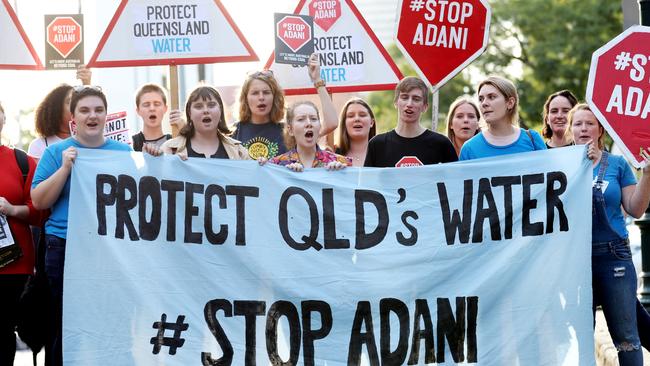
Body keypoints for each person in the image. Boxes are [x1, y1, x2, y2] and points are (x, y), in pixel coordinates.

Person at [31, 86, 131, 366]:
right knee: (64, 325)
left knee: (107, 321)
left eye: (98, 110)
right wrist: (64, 169)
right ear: (73, 117)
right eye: (85, 110)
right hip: (63, 246)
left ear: (106, 116)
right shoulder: (57, 153)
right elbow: (38, 200)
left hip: (108, 248)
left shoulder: (123, 153)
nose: (92, 115)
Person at [570, 103, 650, 365]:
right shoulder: (559, 165)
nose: (583, 129)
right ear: (570, 129)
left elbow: (635, 209)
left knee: (627, 338)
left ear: (601, 129)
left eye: (590, 123)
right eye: (578, 123)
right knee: (579, 339)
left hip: (614, 257)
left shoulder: (617, 164)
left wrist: (647, 174)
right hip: (572, 262)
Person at [0, 102, 44, 364]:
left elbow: (38, 211)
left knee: (4, 330)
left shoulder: (21, 161)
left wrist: (11, 209)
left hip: (12, 265)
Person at [232, 53, 337, 159]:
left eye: (266, 92)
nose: (261, 97)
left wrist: (317, 80)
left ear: (275, 97)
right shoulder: (233, 132)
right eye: (255, 93)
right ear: (245, 98)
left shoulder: (289, 131)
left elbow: (331, 123)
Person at [364, 76, 457, 167]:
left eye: (416, 99)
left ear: (425, 107)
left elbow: (456, 180)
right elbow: (366, 181)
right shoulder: (377, 145)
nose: (409, 104)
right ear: (396, 102)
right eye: (404, 97)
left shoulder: (442, 144)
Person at [459, 75, 546, 160]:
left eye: (491, 97)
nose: (484, 103)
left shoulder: (532, 140)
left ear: (510, 103)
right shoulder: (469, 149)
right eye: (481, 99)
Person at [157, 85, 249, 160]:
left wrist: (261, 165)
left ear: (220, 110)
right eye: (198, 106)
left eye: (211, 105)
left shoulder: (239, 152)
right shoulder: (170, 150)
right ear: (189, 113)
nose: (206, 110)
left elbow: (254, 178)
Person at [28, 65, 92, 159]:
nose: (78, 106)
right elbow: (40, 174)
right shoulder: (39, 145)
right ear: (56, 109)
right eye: (71, 102)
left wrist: (87, 84)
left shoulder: (92, 139)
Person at [267, 101, 350, 171]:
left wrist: (340, 174)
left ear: (320, 126)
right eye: (301, 119)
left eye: (313, 119)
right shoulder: (275, 166)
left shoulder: (341, 162)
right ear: (290, 130)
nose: (309, 123)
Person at [131, 83, 184, 151]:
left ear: (165, 108)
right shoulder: (132, 144)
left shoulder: (175, 141)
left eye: (157, 104)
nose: (152, 108)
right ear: (138, 110)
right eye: (146, 105)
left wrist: (184, 131)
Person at [335, 98, 376, 167]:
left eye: (362, 115)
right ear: (344, 123)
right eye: (351, 116)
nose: (357, 119)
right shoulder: (333, 155)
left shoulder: (383, 152)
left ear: (371, 122)